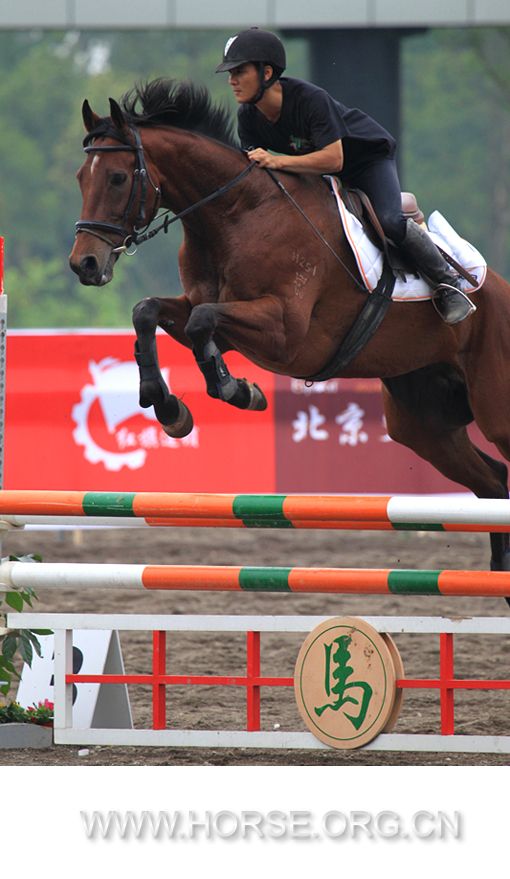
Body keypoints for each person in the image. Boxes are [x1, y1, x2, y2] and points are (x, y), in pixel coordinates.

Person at [216, 27, 476, 325]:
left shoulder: (309, 99)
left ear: (266, 73)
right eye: (230, 72)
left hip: (365, 162)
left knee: (390, 219)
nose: (231, 80)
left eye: (239, 71)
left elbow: (334, 159)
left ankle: (449, 285)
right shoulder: (248, 117)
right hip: (315, 173)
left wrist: (277, 160)